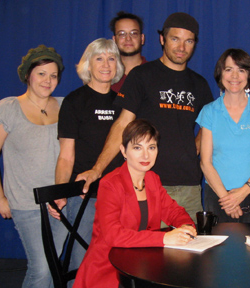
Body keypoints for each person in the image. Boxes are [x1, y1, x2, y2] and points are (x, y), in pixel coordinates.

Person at [76, 12, 214, 224]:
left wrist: (191, 149)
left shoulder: (200, 84)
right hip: (147, 182)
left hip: (189, 186)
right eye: (175, 39)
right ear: (162, 39)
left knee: (190, 253)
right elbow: (123, 123)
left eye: (188, 41)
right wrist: (97, 169)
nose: (181, 47)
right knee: (149, 253)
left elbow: (208, 128)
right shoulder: (142, 75)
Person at [73, 119, 196, 288]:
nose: (146, 155)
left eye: (151, 147)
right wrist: (165, 238)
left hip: (142, 263)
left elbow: (172, 210)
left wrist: (186, 225)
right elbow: (113, 235)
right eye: (137, 148)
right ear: (123, 151)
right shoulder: (110, 184)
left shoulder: (153, 179)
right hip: (109, 269)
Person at [0, 45, 64, 287]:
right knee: (40, 268)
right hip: (26, 203)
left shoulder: (65, 105)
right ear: (28, 74)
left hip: (60, 202)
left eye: (53, 75)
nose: (47, 80)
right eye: (41, 73)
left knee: (52, 264)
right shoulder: (7, 108)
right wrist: (0, 199)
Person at [51, 38, 124, 279]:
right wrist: (60, 192)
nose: (106, 64)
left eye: (111, 58)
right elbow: (66, 156)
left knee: (117, 264)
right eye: (99, 58)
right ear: (88, 65)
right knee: (82, 264)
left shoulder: (124, 104)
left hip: (120, 198)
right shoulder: (74, 102)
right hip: (85, 198)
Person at [197, 49, 250, 223]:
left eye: (241, 70)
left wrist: (243, 192)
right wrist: (227, 200)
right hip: (218, 195)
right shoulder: (209, 112)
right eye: (228, 69)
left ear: (249, 75)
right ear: (220, 73)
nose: (234, 76)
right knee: (219, 250)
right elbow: (205, 162)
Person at [109, 11, 148, 92]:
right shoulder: (106, 74)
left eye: (134, 33)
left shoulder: (155, 74)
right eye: (122, 34)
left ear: (142, 38)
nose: (128, 39)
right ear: (114, 40)